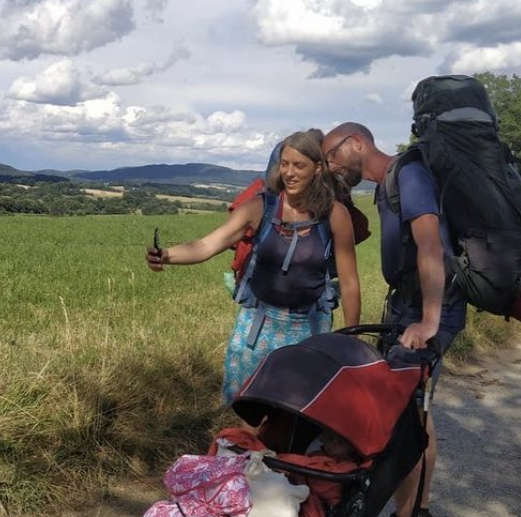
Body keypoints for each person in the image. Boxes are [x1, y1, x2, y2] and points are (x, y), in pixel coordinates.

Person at [321, 121, 467, 517]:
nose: (330, 166)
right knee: (407, 410)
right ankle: (408, 512)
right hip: (405, 304)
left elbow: (430, 246)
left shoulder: (409, 175)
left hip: (427, 307)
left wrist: (429, 320)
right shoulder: (388, 185)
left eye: (332, 156)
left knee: (412, 413)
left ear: (357, 143)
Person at [147, 128, 361, 404]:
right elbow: (207, 245)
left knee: (301, 413)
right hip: (258, 326)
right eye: (284, 164)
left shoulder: (335, 215)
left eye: (299, 165)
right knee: (248, 408)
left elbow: (349, 282)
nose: (290, 173)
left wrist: (349, 342)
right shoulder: (260, 208)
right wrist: (166, 255)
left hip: (309, 329)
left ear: (318, 169)